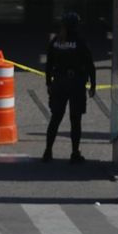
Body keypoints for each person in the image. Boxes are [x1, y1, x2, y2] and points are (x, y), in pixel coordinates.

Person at [43, 12, 95, 163]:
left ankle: (47, 151)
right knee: (75, 119)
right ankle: (74, 153)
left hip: (59, 83)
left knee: (56, 118)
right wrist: (93, 85)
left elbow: (48, 64)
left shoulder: (56, 41)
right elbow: (90, 65)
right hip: (76, 84)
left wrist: (49, 83)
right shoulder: (80, 42)